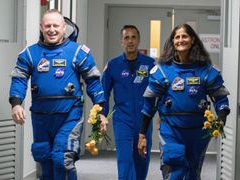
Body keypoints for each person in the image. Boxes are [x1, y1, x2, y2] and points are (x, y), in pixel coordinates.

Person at [9, 9, 107, 180]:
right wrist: (16, 103)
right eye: (47, 26)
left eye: (56, 25)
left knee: (62, 158)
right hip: (41, 116)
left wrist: (101, 110)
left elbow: (93, 81)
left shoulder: (78, 52)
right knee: (44, 159)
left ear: (64, 27)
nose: (51, 30)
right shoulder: (30, 54)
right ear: (41, 27)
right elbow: (19, 78)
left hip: (70, 115)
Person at [137, 23, 230, 179]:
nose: (181, 40)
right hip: (171, 131)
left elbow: (221, 98)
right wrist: (142, 134)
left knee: (192, 174)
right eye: (177, 37)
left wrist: (220, 120)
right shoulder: (162, 71)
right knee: (175, 172)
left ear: (192, 40)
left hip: (198, 132)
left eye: (185, 36)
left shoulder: (205, 70)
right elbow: (149, 106)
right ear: (173, 41)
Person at [102, 25, 155, 180]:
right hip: (122, 119)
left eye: (133, 37)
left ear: (138, 41)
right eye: (126, 37)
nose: (130, 41)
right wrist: (102, 115)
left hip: (144, 119)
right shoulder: (113, 65)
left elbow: (160, 92)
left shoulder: (150, 64)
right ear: (121, 42)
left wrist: (162, 116)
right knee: (125, 160)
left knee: (141, 160)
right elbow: (103, 92)